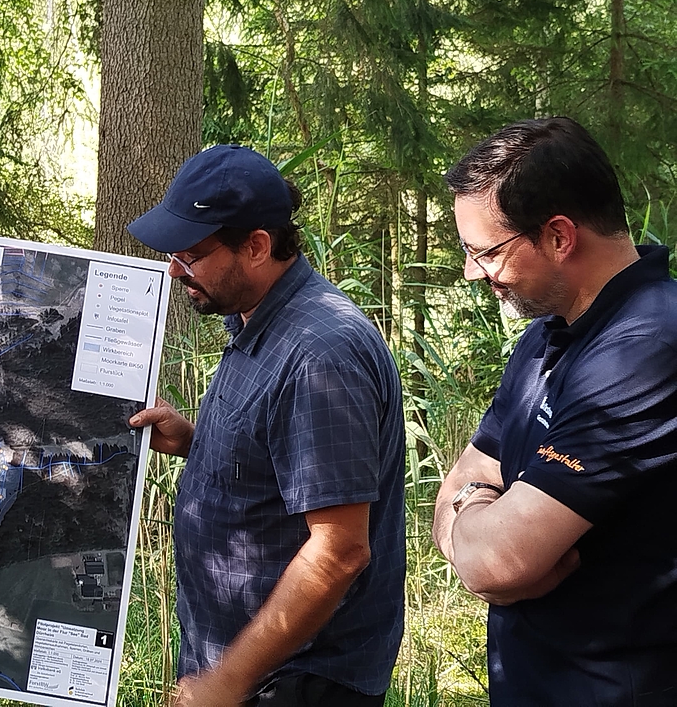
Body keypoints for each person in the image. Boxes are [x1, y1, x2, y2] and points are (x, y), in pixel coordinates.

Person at [127, 144, 406, 707]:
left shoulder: (321, 353)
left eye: (190, 254)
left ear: (256, 246)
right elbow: (283, 468)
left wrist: (226, 682)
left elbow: (340, 552)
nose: (174, 269)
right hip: (254, 672)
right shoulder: (257, 321)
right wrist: (195, 442)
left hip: (297, 682)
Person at [432, 117, 677, 705]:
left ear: (559, 236)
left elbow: (497, 562)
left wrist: (479, 537)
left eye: (485, 252)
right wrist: (475, 508)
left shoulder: (648, 349)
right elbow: (463, 483)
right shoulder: (546, 335)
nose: (472, 273)